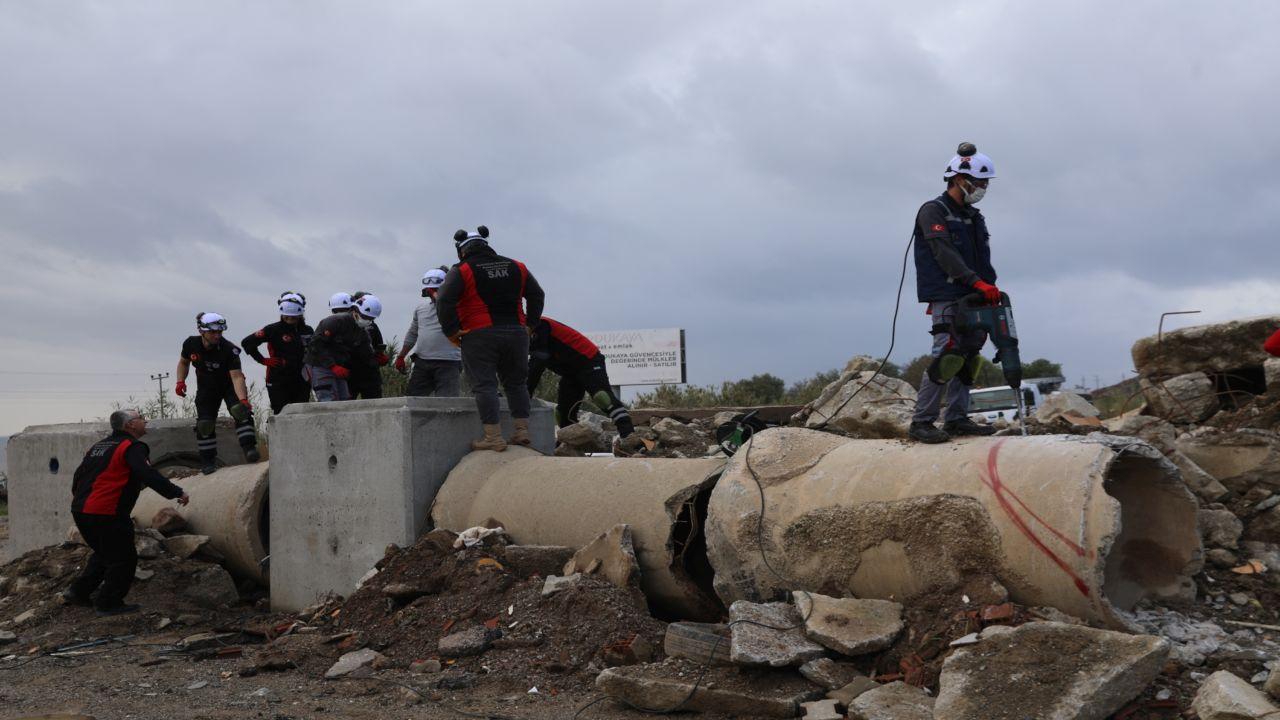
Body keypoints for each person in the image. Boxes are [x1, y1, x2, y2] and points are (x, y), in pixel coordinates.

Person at [907, 142, 1003, 444]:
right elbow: (944, 253)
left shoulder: (974, 216)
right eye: (980, 182)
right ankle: (922, 421)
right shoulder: (933, 211)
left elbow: (982, 258)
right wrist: (976, 283)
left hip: (975, 294)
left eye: (986, 183)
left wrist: (990, 287)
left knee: (970, 355)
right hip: (947, 294)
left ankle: (957, 418)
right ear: (960, 179)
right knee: (947, 354)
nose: (983, 188)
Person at [63, 409, 189, 615]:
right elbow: (147, 473)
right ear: (130, 425)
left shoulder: (99, 446)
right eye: (141, 418)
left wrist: (80, 498)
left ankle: (78, 592)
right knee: (124, 558)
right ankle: (108, 603)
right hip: (107, 511)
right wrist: (176, 492)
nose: (145, 421)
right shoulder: (132, 446)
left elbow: (79, 475)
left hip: (81, 509)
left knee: (106, 553)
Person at [436, 225, 545, 451]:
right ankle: (522, 431)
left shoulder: (462, 270)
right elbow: (537, 294)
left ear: (462, 250)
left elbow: (444, 300)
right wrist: (530, 325)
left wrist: (451, 331)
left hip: (479, 334)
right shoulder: (517, 266)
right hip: (517, 333)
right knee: (517, 383)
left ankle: (493, 437)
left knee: (484, 385)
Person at [527, 316, 636, 445]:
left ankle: (629, 435)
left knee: (603, 398)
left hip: (588, 361)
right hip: (569, 371)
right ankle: (568, 445)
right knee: (563, 413)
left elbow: (538, 362)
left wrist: (526, 393)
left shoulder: (540, 325)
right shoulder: (518, 335)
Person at [176, 313, 260, 473]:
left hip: (229, 385)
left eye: (220, 332)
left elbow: (236, 377)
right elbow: (183, 363)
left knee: (240, 411)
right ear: (202, 331)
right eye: (213, 332)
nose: (217, 335)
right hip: (206, 387)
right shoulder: (190, 344)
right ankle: (207, 461)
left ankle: (249, 448)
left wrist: (243, 400)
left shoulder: (230, 350)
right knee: (205, 424)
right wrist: (180, 381)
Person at [242, 291, 315, 414]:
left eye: (293, 316)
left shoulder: (308, 330)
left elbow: (313, 351)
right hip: (278, 379)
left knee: (301, 414)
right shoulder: (273, 329)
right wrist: (263, 360)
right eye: (287, 316)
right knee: (281, 413)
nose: (290, 318)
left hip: (302, 379)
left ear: (300, 314)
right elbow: (247, 342)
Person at [396, 267, 463, 396]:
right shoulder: (421, 309)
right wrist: (401, 356)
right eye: (430, 290)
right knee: (413, 400)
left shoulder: (457, 306)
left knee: (447, 402)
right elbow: (412, 334)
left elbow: (445, 303)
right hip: (423, 362)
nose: (432, 293)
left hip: (449, 362)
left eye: (435, 289)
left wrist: (439, 295)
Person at [304, 293, 380, 402]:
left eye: (371, 318)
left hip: (339, 367)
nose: (367, 320)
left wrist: (376, 359)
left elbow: (366, 353)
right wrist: (332, 366)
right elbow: (315, 345)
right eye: (365, 317)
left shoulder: (362, 332)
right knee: (328, 400)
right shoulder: (335, 321)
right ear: (356, 310)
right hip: (319, 365)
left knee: (344, 401)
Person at [348, 290, 390, 399]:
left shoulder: (372, 326)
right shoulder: (344, 323)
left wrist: (380, 356)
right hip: (349, 372)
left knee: (374, 403)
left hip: (370, 373)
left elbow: (378, 345)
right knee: (346, 404)